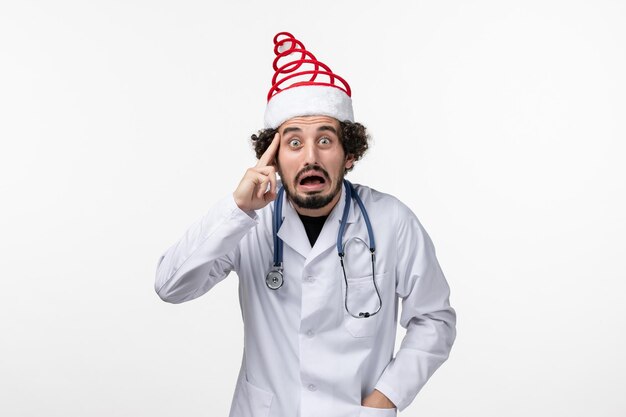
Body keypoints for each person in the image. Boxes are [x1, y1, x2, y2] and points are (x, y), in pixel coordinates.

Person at [155, 32, 456, 417]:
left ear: (349, 154)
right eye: (293, 143)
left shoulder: (392, 221)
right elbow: (170, 286)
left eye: (326, 140)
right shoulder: (250, 222)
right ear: (274, 157)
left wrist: (385, 398)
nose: (310, 156)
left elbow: (435, 319)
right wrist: (236, 208)